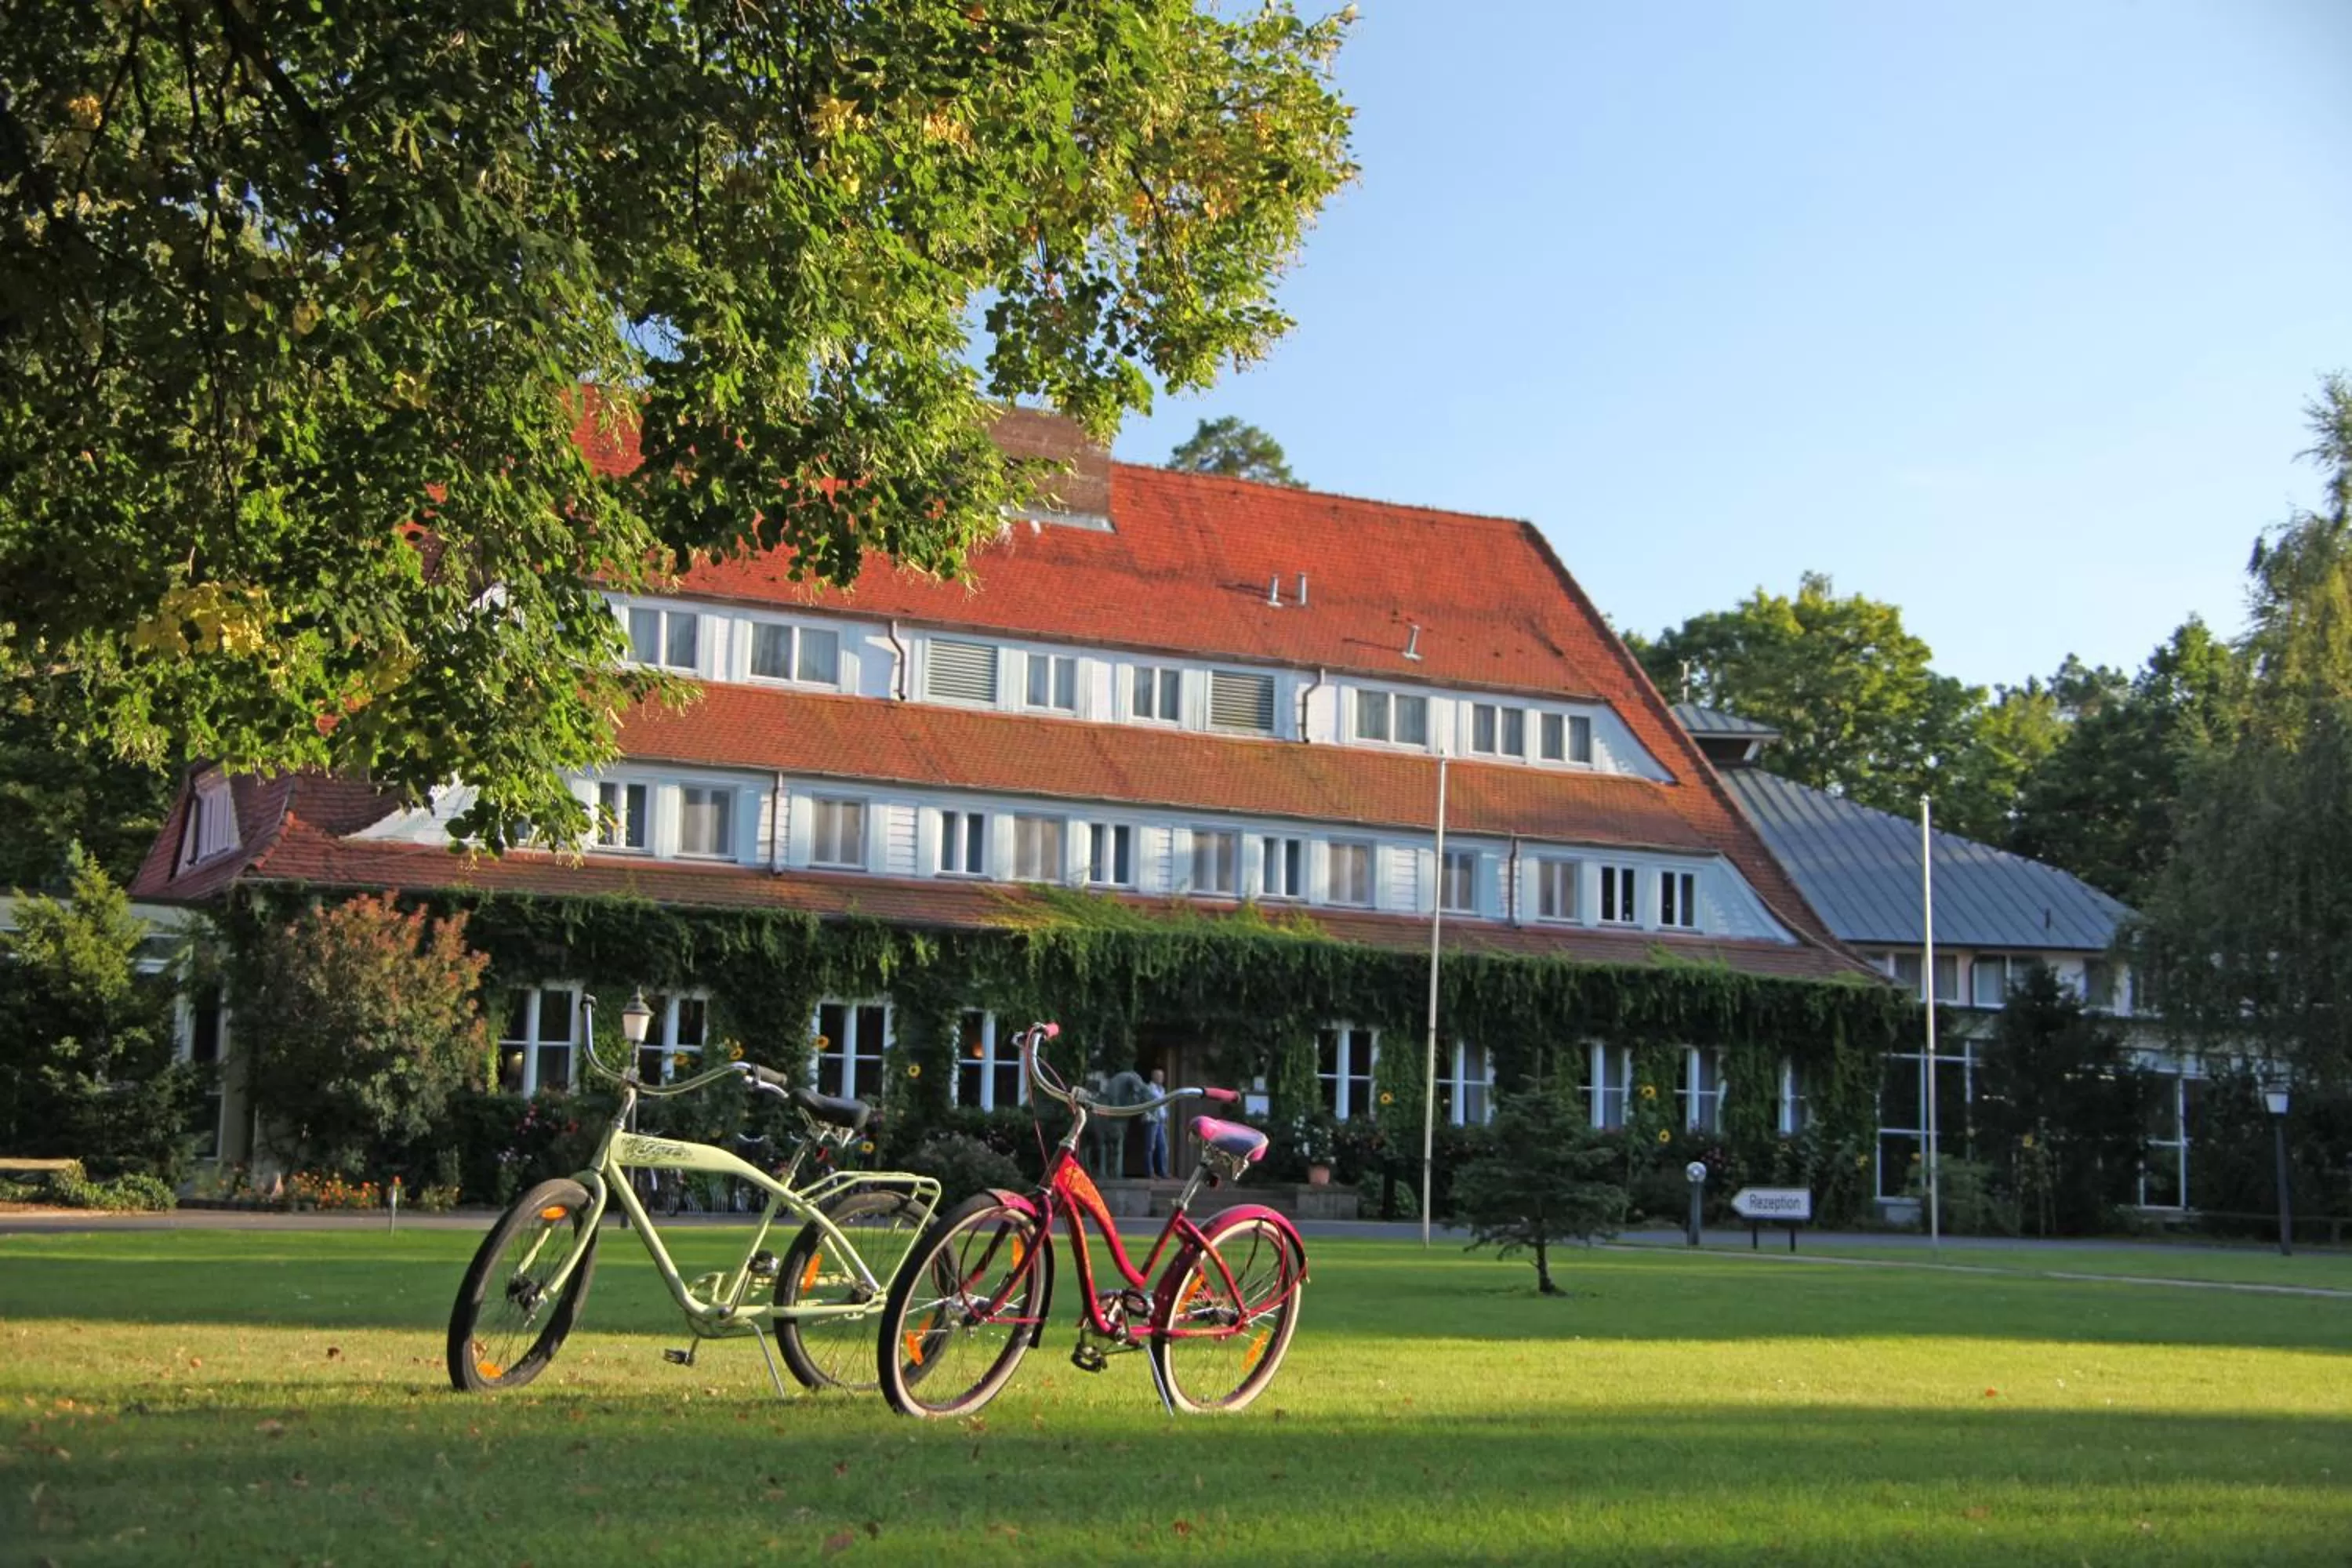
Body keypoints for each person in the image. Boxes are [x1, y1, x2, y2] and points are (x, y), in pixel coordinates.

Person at [1144, 1067, 1171, 1179]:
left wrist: (1166, 1117)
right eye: (1159, 1076)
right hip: (1152, 1120)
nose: (1161, 1078)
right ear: (1153, 1077)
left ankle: (1163, 1172)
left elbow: (1163, 1106)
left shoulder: (1162, 1090)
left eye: (1162, 1076)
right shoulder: (1148, 1089)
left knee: (1163, 1146)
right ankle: (1150, 1172)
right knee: (1150, 1147)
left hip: (1161, 1121)